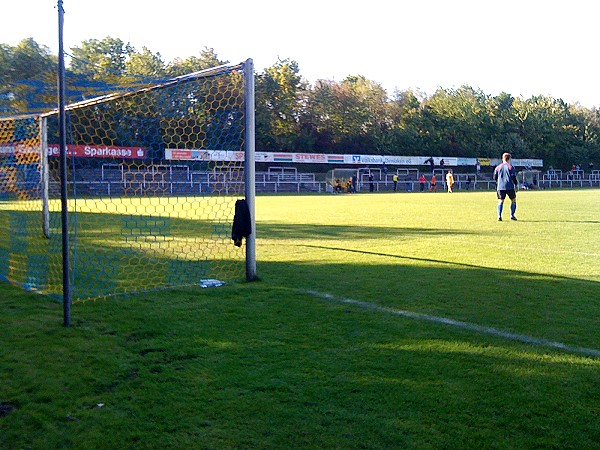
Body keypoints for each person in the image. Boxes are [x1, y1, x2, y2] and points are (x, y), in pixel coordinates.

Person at [493, 152, 518, 221]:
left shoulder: (498, 167)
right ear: (509, 159)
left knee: (500, 201)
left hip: (500, 187)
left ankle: (499, 216)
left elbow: (494, 177)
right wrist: (516, 184)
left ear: (502, 158)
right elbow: (513, 177)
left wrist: (499, 182)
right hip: (509, 186)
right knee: (513, 200)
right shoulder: (511, 167)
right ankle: (512, 215)